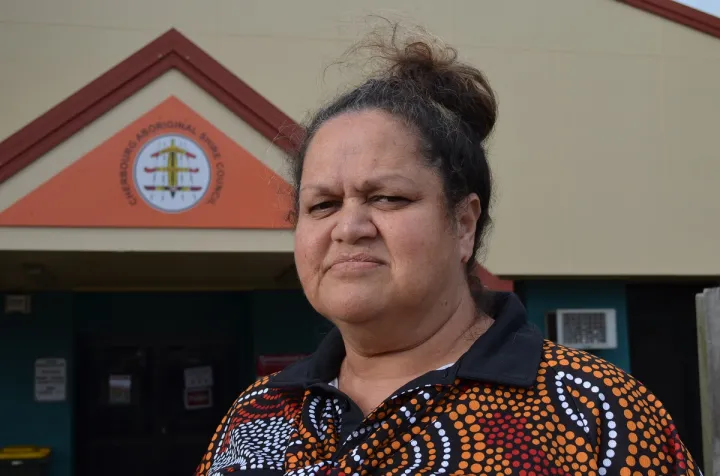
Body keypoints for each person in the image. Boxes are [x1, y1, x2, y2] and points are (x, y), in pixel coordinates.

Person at [195, 22, 700, 476]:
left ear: (462, 223)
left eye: (387, 197)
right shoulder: (256, 412)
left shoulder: (595, 412)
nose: (349, 227)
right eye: (323, 205)